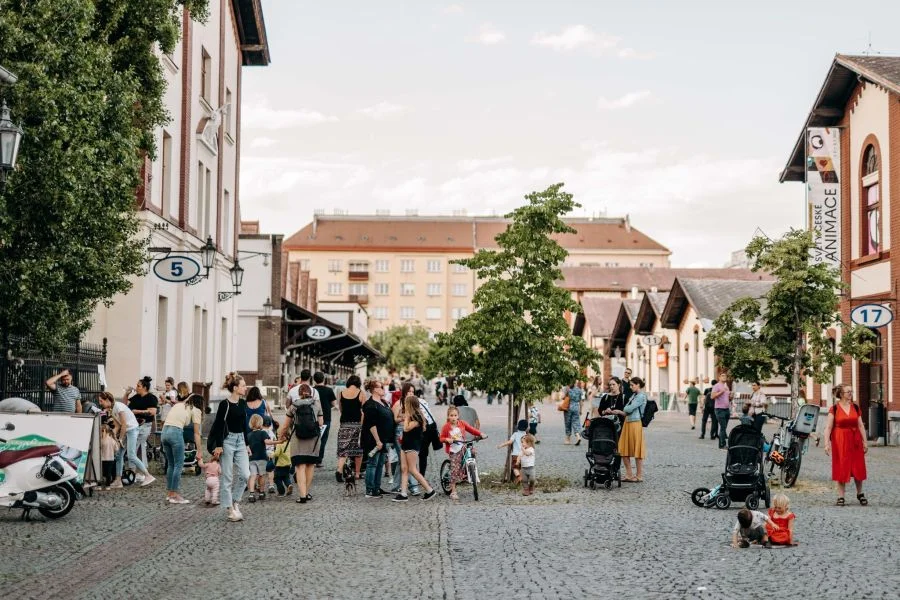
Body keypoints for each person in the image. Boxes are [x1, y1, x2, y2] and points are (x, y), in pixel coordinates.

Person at [207, 373, 250, 522]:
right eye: (243, 386)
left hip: (241, 441)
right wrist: (219, 445)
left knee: (245, 474)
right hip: (227, 441)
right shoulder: (224, 404)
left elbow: (245, 425)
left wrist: (247, 444)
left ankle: (235, 501)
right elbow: (219, 425)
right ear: (235, 388)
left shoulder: (243, 403)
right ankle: (230, 510)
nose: (246, 388)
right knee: (227, 477)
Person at [96, 391, 155, 488]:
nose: (100, 403)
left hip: (132, 430)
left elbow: (124, 424)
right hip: (127, 431)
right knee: (119, 455)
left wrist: (119, 439)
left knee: (131, 455)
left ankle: (148, 475)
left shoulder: (118, 406)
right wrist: (113, 434)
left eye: (101, 401)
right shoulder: (112, 409)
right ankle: (118, 480)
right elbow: (118, 426)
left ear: (107, 400)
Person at [822, 384, 868, 506]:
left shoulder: (855, 407)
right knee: (841, 466)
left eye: (852, 391)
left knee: (858, 466)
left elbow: (860, 425)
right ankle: (841, 496)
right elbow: (828, 427)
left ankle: (860, 493)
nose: (851, 394)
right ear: (841, 394)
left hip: (855, 441)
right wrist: (826, 443)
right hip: (840, 441)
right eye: (848, 392)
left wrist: (865, 441)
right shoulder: (834, 409)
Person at [278, 383, 324, 504]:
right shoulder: (316, 404)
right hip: (313, 439)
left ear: (299, 394)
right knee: (310, 465)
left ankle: (302, 496)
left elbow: (286, 425)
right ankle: (306, 492)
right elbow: (321, 423)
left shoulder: (294, 406)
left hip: (298, 439)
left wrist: (281, 436)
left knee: (300, 467)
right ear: (311, 393)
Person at [160, 385, 203, 504]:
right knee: (179, 465)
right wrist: (199, 451)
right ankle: (174, 495)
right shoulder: (196, 410)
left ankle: (170, 494)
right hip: (175, 432)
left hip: (164, 432)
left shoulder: (178, 405)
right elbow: (196, 433)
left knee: (171, 464)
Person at [392, 394, 437, 502]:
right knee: (404, 468)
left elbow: (406, 428)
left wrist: (406, 417)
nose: (404, 405)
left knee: (412, 469)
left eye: (406, 403)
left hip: (412, 445)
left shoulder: (417, 417)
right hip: (405, 444)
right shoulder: (411, 415)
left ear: (410, 405)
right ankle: (403, 494)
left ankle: (429, 490)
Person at [439, 405, 485, 501]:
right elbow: (441, 438)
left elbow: (471, 429)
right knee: (454, 470)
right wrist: (447, 439)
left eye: (455, 415)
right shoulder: (446, 427)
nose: (453, 417)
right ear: (448, 416)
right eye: (451, 415)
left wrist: (480, 434)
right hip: (453, 450)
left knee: (472, 451)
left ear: (458, 416)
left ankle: (469, 472)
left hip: (462, 446)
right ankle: (453, 491)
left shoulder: (462, 423)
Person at [361, 378, 393, 498]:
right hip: (373, 440)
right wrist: (378, 441)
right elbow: (371, 424)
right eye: (381, 387)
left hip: (384, 439)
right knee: (372, 464)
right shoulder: (370, 405)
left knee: (380, 464)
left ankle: (376, 488)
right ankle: (370, 490)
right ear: (374, 389)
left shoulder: (383, 402)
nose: (384, 389)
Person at [124, 376, 158, 472]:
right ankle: (141, 471)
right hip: (134, 425)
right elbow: (125, 406)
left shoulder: (151, 398)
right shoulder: (136, 397)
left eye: (138, 386)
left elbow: (152, 412)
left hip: (144, 425)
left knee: (134, 446)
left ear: (144, 387)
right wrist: (126, 394)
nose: (136, 387)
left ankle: (133, 470)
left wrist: (137, 411)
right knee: (139, 447)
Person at [334, 374, 364, 483]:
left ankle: (339, 470)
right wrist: (362, 424)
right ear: (358, 383)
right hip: (357, 424)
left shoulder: (342, 393)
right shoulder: (361, 393)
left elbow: (340, 408)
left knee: (343, 449)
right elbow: (363, 411)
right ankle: (357, 473)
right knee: (358, 450)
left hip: (344, 424)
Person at [619, 377, 647, 482]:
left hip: (635, 423)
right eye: (630, 385)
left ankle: (639, 476)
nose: (630, 387)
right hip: (628, 423)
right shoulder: (634, 395)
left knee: (637, 450)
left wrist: (626, 408)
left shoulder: (641, 396)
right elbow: (626, 409)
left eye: (632, 385)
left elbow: (628, 408)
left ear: (638, 384)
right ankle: (629, 474)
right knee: (623, 449)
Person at [247, 414, 274, 502]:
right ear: (260, 423)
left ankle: (251, 494)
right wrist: (278, 442)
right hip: (261, 458)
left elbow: (246, 447)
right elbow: (268, 442)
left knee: (253, 476)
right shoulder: (263, 433)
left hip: (251, 459)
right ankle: (261, 492)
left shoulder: (248, 435)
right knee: (262, 475)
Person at [313, 371, 336, 468]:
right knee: (323, 439)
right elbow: (334, 404)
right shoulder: (329, 390)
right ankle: (319, 460)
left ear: (314, 380)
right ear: (324, 379)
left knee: (313, 438)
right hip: (326, 417)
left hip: (313, 417)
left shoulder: (312, 390)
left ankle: (311, 458)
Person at [99, 418, 121, 490]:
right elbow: (116, 449)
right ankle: (108, 486)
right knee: (109, 473)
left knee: (101, 473)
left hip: (102, 459)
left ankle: (99, 485)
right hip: (111, 459)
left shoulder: (101, 440)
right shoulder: (112, 440)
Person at [711, 376, 731, 449]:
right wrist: (722, 391)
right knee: (723, 427)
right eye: (722, 376)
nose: (724, 377)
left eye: (725, 376)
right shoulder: (716, 386)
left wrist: (731, 396)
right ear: (719, 377)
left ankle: (721, 444)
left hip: (726, 409)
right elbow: (712, 396)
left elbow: (727, 398)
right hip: (719, 409)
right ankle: (722, 444)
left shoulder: (726, 386)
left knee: (724, 427)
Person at [564, 381, 584, 445]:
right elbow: (581, 401)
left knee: (568, 423)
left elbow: (563, 397)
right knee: (576, 423)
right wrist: (580, 410)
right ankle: (578, 436)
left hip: (568, 407)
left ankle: (568, 440)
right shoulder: (579, 390)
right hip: (576, 408)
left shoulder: (567, 388)